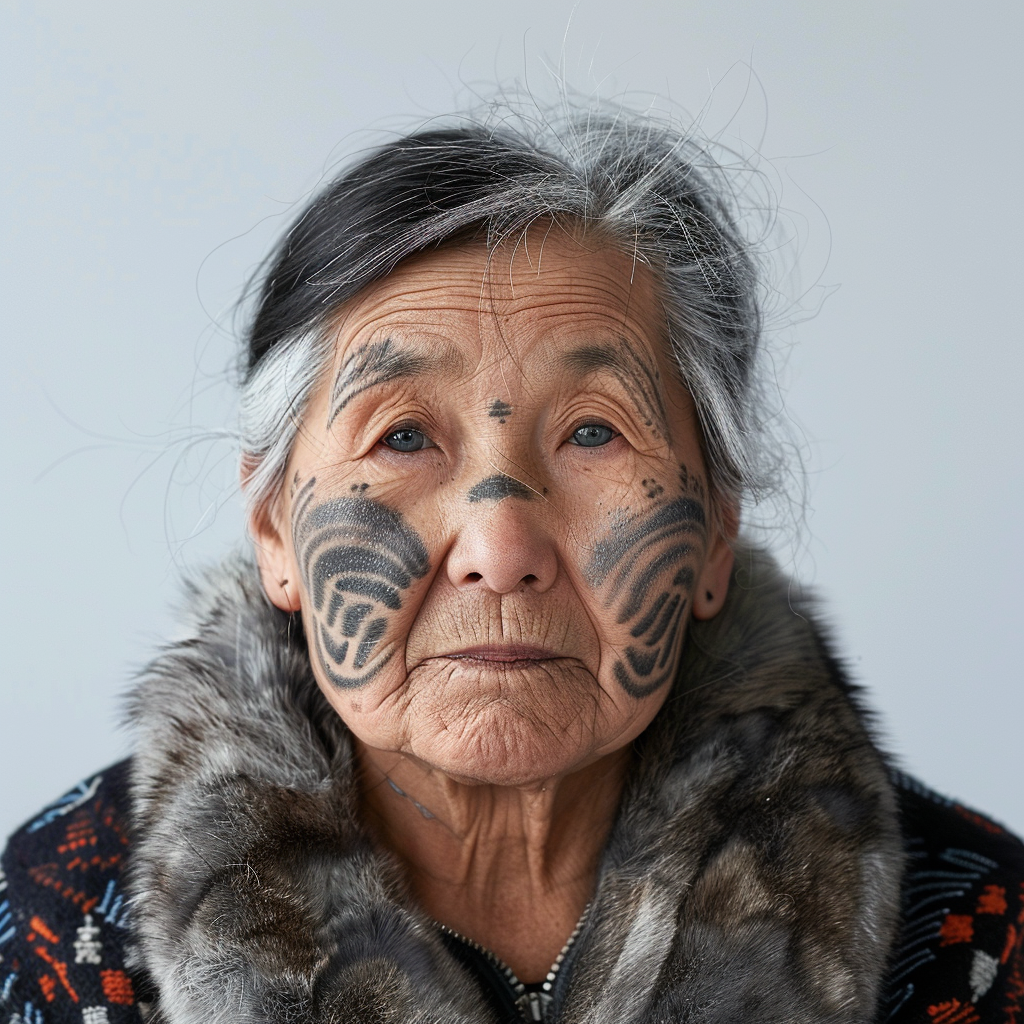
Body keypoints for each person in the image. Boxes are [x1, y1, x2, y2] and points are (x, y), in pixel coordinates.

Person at [2, 105, 1022, 1024]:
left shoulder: (971, 928)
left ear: (715, 531)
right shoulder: (69, 927)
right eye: (401, 437)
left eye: (592, 434)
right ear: (274, 532)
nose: (500, 550)